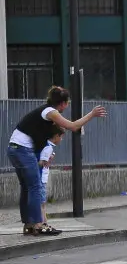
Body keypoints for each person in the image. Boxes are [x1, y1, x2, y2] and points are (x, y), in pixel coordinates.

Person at [7, 85, 106, 236]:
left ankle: (29, 224)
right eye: (67, 103)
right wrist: (91, 114)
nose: (67, 106)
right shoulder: (51, 112)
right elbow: (73, 126)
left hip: (14, 148)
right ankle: (39, 224)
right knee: (34, 186)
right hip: (23, 150)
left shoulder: (44, 111)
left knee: (26, 187)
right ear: (63, 103)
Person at [36, 125, 65, 235]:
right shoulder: (48, 147)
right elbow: (41, 162)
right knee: (42, 203)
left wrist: (51, 155)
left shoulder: (45, 144)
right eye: (61, 137)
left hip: (41, 178)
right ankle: (43, 224)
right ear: (56, 136)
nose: (61, 140)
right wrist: (45, 160)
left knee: (41, 203)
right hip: (41, 178)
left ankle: (43, 223)